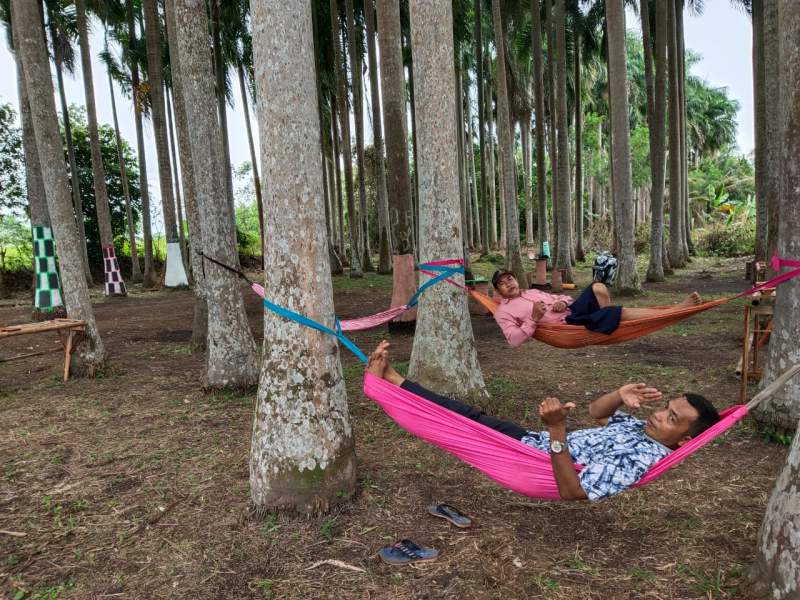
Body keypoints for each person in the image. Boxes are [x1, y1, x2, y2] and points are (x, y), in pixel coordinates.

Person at [366, 340, 720, 502]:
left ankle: (389, 389)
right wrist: (618, 393)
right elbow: (598, 413)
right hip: (530, 444)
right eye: (665, 407)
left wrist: (556, 430)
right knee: (465, 416)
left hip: (538, 461)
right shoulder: (640, 430)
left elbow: (573, 491)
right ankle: (396, 382)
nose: (659, 414)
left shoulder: (643, 459)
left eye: (671, 418)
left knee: (455, 428)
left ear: (685, 440)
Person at [491, 270, 704, 347]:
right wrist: (534, 319)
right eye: (503, 283)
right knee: (615, 313)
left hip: (573, 312)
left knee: (598, 286)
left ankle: (604, 320)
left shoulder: (533, 292)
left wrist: (563, 302)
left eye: (510, 278)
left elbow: (565, 296)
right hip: (566, 327)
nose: (509, 283)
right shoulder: (503, 311)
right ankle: (677, 308)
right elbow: (514, 340)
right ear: (498, 291)